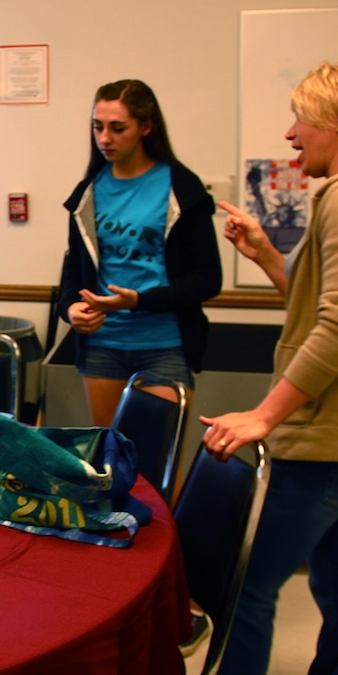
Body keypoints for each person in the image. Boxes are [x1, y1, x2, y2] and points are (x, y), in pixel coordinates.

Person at [198, 60, 338, 675]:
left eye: (300, 117)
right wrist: (266, 256)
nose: (290, 132)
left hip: (330, 441)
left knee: (246, 589)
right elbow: (325, 306)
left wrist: (266, 413)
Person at [58, 79, 222, 426]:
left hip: (164, 345)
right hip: (103, 344)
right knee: (111, 464)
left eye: (118, 128)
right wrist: (71, 309)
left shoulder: (181, 187)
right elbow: (73, 272)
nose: (104, 138)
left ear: (146, 127)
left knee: (155, 471)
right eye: (97, 127)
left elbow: (208, 277)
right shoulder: (88, 191)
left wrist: (139, 300)